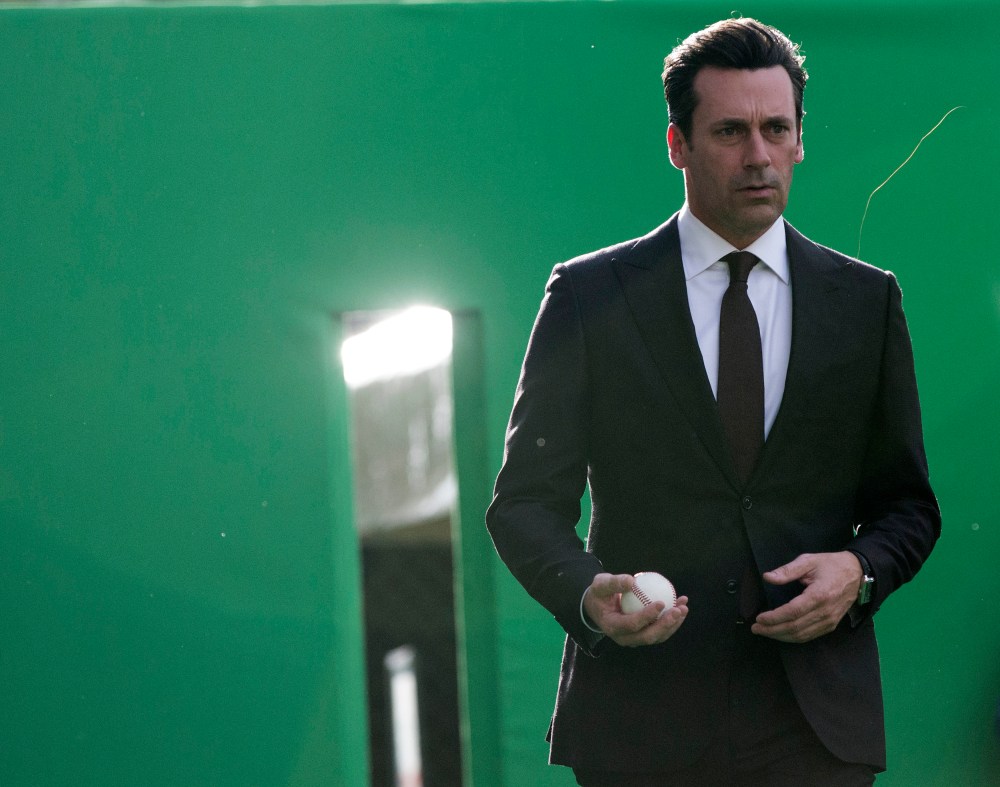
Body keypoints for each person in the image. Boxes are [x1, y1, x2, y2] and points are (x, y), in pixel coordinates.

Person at [486, 17, 940, 786]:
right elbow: (524, 503)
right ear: (678, 145)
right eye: (730, 130)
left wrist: (859, 574)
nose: (758, 154)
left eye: (776, 128)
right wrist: (591, 596)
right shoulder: (590, 295)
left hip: (815, 724)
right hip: (639, 721)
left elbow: (909, 508)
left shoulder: (866, 302)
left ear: (800, 139)